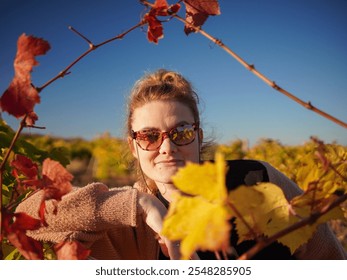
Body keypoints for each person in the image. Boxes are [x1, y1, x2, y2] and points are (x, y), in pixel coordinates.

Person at [17, 69, 346, 260]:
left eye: (182, 132)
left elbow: (329, 260)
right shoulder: (126, 222)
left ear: (199, 136)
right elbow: (27, 217)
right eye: (149, 135)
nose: (167, 146)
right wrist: (142, 204)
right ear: (133, 146)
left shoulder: (256, 178)